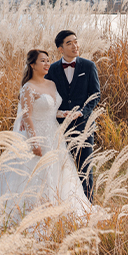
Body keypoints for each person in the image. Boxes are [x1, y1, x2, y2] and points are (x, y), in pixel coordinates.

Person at [0, 49, 90, 227]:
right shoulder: (28, 88)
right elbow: (27, 116)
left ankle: (55, 207)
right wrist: (34, 141)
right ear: (32, 65)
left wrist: (64, 113)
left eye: (48, 60)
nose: (47, 64)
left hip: (54, 134)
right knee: (33, 173)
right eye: (43, 61)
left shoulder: (52, 84)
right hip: (37, 134)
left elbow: (49, 110)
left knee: (58, 171)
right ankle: (31, 210)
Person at [45, 30, 100, 202]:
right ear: (60, 49)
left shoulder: (88, 66)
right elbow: (47, 94)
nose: (75, 45)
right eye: (69, 43)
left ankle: (88, 207)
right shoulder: (52, 69)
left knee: (85, 169)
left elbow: (95, 94)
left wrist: (82, 112)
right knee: (61, 168)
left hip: (83, 125)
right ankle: (65, 205)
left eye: (75, 41)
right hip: (59, 127)